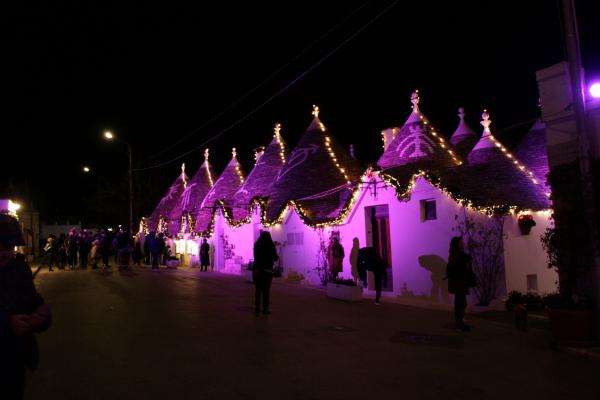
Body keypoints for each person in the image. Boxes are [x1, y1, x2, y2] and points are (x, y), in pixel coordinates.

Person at [0, 213, 52, 400]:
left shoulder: (18, 268)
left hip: (16, 358)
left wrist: (41, 314)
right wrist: (7, 323)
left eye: (10, 246)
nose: (6, 252)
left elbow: (31, 299)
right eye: (1, 246)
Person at [446, 236, 474, 332]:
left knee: (461, 303)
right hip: (459, 283)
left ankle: (460, 321)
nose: (463, 243)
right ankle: (459, 323)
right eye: (461, 242)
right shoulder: (457, 256)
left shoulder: (458, 255)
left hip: (460, 282)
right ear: (457, 245)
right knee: (461, 303)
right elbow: (455, 269)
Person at [252, 231, 278, 315]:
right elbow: (274, 257)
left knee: (258, 289)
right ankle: (265, 309)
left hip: (257, 270)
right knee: (266, 290)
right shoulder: (270, 244)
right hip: (268, 270)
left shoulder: (257, 244)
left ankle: (257, 307)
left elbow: (255, 255)